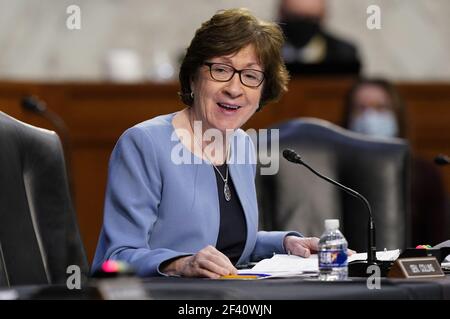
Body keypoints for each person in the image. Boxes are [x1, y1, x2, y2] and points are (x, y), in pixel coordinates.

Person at [92, 8, 319, 278]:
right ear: (193, 77)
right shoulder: (144, 143)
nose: (235, 89)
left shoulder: (242, 144)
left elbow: (227, 242)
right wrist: (180, 264)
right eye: (221, 70)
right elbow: (114, 259)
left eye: (250, 76)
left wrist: (286, 243)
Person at [342, 78, 449, 246]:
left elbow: (439, 242)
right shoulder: (335, 173)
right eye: (360, 108)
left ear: (397, 115)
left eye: (380, 108)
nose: (370, 117)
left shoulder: (426, 173)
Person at [279, 0, 361, 75]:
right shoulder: (267, 49)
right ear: (281, 13)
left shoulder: (343, 54)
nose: (302, 24)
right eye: (294, 17)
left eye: (311, 18)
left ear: (323, 16)